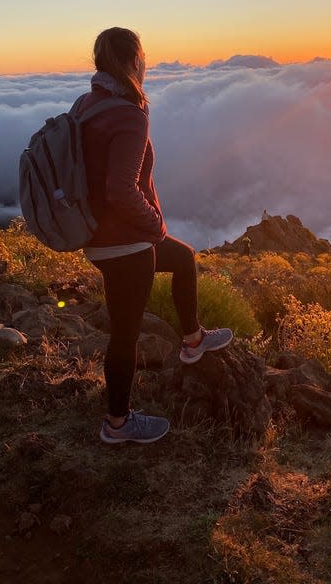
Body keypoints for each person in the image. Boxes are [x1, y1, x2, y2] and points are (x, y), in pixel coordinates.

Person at [79, 27, 233, 444]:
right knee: (125, 334)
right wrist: (155, 225)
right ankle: (117, 423)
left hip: (99, 236)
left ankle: (193, 339)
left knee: (183, 259)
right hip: (125, 243)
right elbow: (120, 189)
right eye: (142, 57)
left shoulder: (87, 104)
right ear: (134, 61)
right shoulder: (128, 113)